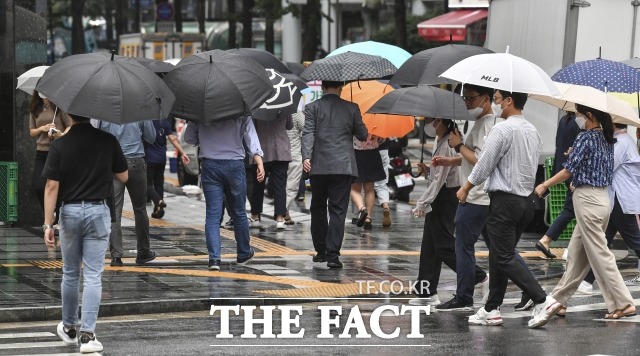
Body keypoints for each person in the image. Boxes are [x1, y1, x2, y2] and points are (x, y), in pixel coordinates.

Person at [458, 90, 561, 328]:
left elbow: (484, 163)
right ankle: (491, 308)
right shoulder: (532, 131)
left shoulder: (501, 129)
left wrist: (466, 187)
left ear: (509, 101)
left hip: (504, 202)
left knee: (502, 255)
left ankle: (542, 299)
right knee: (499, 255)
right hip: (525, 202)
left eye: (496, 100)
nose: (495, 104)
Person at [535, 105, 636, 320]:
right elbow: (598, 168)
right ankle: (559, 300)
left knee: (600, 254)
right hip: (602, 200)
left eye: (580, 115)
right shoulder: (608, 138)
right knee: (576, 253)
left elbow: (568, 170)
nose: (578, 119)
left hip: (587, 201)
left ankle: (624, 302)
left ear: (589, 116)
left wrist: (545, 184)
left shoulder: (586, 137)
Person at [42, 113, 128, 353]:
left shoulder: (60, 144)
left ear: (69, 115)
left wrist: (48, 225)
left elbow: (51, 186)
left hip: (69, 211)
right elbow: (124, 176)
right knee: (92, 275)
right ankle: (88, 336)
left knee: (70, 273)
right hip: (98, 211)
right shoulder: (107, 140)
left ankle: (69, 328)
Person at [430, 84, 503, 311]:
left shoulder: (488, 125)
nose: (467, 103)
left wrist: (458, 145)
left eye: (471, 98)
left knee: (463, 247)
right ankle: (531, 292)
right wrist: (450, 159)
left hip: (475, 195)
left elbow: (480, 160)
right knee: (501, 250)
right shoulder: (484, 123)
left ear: (486, 98)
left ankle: (464, 297)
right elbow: (472, 157)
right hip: (481, 195)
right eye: (465, 98)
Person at [302, 80, 368, 268]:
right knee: (338, 210)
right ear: (342, 87)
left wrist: (306, 156)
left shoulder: (312, 107)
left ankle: (321, 251)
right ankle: (333, 256)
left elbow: (308, 133)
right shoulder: (352, 107)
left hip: (319, 166)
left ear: (322, 87)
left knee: (318, 207)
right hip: (342, 166)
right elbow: (363, 135)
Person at [184, 116, 264, 271]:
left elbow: (189, 138)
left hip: (210, 165)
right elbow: (251, 137)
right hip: (234, 164)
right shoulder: (240, 109)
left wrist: (203, 136)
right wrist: (259, 161)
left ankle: (214, 259)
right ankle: (243, 253)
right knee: (239, 212)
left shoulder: (201, 110)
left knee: (213, 215)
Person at [407, 118, 463, 306]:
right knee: (429, 247)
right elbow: (437, 175)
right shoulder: (440, 140)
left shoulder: (448, 142)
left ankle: (477, 275)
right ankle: (426, 291)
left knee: (442, 246)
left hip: (445, 198)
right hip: (442, 195)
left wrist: (422, 203)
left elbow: (439, 182)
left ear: (439, 121)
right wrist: (427, 170)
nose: (427, 123)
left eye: (430, 119)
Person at [93, 120, 157, 267]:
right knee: (140, 209)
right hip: (135, 162)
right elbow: (151, 137)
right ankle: (143, 252)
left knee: (114, 211)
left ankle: (116, 256)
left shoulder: (106, 110)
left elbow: (99, 136)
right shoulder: (140, 109)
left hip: (113, 163)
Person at [535, 112, 582, 259]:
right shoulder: (579, 123)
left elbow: (558, 145)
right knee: (572, 211)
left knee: (572, 211)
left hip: (564, 170)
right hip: (574, 174)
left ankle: (548, 240)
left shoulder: (564, 119)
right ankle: (551, 242)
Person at [28, 91, 71, 219]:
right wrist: (42, 129)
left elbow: (69, 126)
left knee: (59, 185)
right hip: (41, 150)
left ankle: (58, 216)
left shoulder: (58, 106)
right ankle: (49, 214)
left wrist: (60, 134)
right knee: (38, 186)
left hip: (58, 150)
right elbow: (32, 131)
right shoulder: (35, 108)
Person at [249, 114, 293, 229]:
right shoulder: (284, 106)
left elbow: (252, 128)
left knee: (258, 185)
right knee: (280, 186)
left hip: (261, 150)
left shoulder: (257, 107)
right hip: (281, 150)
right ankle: (279, 217)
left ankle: (255, 215)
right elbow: (289, 126)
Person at [144, 118, 190, 219]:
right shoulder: (164, 121)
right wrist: (182, 152)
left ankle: (158, 201)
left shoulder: (146, 121)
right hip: (161, 158)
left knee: (146, 183)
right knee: (159, 183)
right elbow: (172, 138)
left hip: (149, 158)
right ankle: (158, 211)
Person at [350, 134, 386, 230]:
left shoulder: (355, 119)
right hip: (372, 154)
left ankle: (362, 209)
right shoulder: (377, 121)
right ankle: (368, 218)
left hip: (356, 154)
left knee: (354, 188)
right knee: (370, 189)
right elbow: (382, 139)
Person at [284, 111, 306, 225]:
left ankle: (284, 212)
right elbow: (307, 128)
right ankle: (282, 211)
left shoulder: (274, 112)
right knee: (292, 186)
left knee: (281, 186)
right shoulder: (296, 114)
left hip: (278, 154)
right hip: (294, 154)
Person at [374, 141, 393, 227]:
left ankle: (366, 216)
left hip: (367, 151)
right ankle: (385, 205)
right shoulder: (384, 127)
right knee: (381, 183)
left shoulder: (366, 126)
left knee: (366, 185)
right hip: (383, 150)